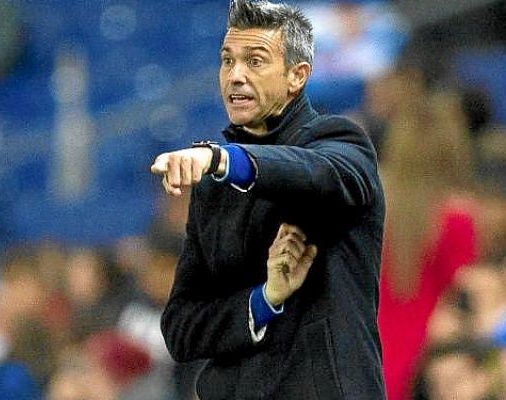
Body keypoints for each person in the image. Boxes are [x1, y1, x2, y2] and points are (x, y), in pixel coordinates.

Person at [150, 0, 385, 398]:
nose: (235, 76)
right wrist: (264, 299)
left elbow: (318, 173)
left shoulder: (341, 142)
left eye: (254, 61)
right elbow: (181, 329)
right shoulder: (214, 184)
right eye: (227, 61)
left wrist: (224, 160)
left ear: (297, 75)